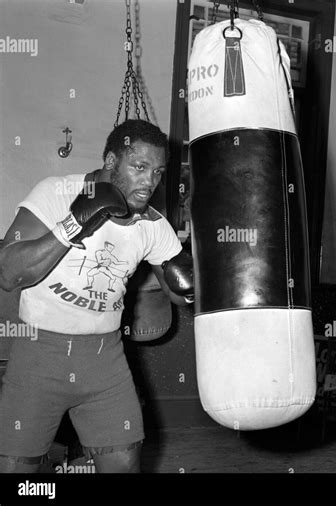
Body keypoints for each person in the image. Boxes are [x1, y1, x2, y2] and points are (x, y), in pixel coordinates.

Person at [0, 119, 193, 473]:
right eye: (139, 167)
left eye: (158, 172)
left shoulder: (152, 224)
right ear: (110, 161)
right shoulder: (56, 193)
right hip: (39, 356)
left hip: (105, 362)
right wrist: (75, 222)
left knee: (124, 465)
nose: (150, 182)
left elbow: (181, 295)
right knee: (15, 472)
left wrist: (199, 274)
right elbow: (9, 273)